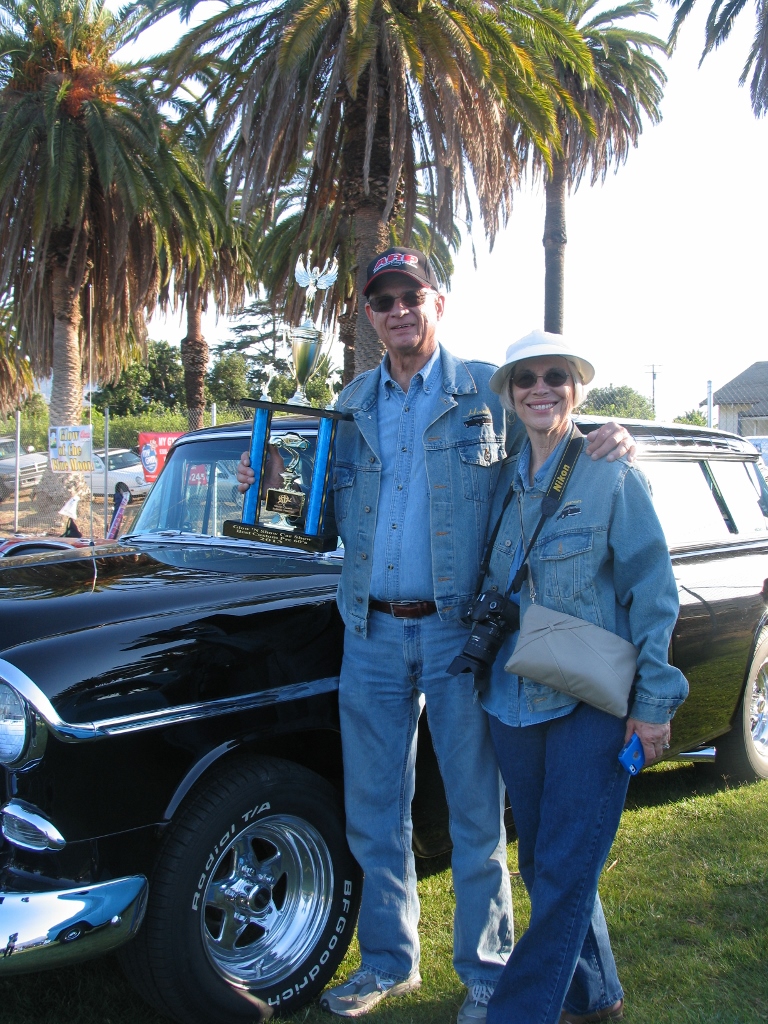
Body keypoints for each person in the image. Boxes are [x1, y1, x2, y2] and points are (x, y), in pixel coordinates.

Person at [237, 248, 635, 1023]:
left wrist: (610, 440)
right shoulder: (350, 403)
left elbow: (555, 446)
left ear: (436, 303)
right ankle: (388, 964)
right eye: (382, 300)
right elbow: (321, 523)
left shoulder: (486, 389)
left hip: (462, 638)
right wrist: (273, 492)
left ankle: (486, 973)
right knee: (373, 810)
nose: (398, 310)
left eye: (409, 296)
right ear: (368, 314)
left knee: (476, 814)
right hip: (371, 637)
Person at [471, 330, 688, 1024]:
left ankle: (520, 1011)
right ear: (510, 394)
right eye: (526, 378)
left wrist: (653, 705)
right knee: (542, 862)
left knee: (566, 869)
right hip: (513, 698)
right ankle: (595, 997)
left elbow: (654, 596)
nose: (541, 389)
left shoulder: (611, 474)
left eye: (555, 377)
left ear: (576, 389)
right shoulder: (501, 482)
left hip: (590, 704)